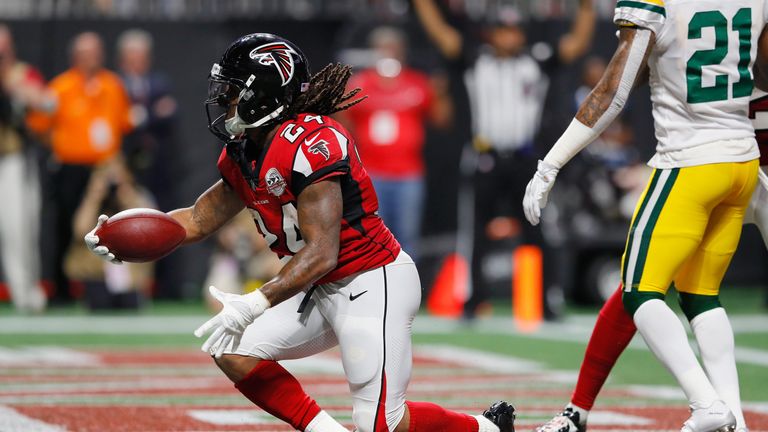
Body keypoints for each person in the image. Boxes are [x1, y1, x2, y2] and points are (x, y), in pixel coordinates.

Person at [84, 33, 516, 432]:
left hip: (370, 280)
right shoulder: (246, 150)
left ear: (262, 96)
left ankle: (486, 428)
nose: (224, 100)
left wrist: (256, 300)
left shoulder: (313, 141)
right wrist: (120, 235)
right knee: (232, 348)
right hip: (318, 286)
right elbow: (197, 220)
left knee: (381, 424)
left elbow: (324, 251)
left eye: (234, 91)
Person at [523, 1, 768, 431]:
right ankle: (736, 420)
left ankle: (706, 404)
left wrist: (551, 163)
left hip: (689, 162)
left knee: (638, 291)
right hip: (743, 160)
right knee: (701, 296)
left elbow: (612, 91)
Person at [413, 0, 596, 319]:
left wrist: (586, 7)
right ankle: (473, 301)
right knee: (475, 234)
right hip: (485, 156)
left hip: (526, 158)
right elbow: (442, 35)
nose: (508, 37)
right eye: (502, 31)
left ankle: (548, 301)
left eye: (513, 31)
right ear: (491, 34)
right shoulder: (475, 58)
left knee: (540, 231)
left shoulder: (537, 60)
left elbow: (576, 44)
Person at [28, 31, 132, 304]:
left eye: (96, 52)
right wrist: (61, 145)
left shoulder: (112, 85)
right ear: (75, 56)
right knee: (64, 226)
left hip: (104, 167)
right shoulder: (61, 87)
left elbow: (124, 124)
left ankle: (114, 287)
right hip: (71, 167)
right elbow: (39, 125)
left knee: (110, 226)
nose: (92, 58)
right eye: (87, 53)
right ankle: (60, 288)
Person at [342, 26, 447, 259]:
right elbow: (342, 124)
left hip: (408, 174)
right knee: (372, 236)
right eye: (383, 49)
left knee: (407, 237)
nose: (389, 54)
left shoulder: (417, 83)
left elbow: (441, 120)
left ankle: (408, 291)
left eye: (394, 49)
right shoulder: (360, 84)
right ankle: (377, 290)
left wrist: (440, 93)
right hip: (371, 175)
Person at [0, 25, 49, 313]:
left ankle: (25, 291)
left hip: (12, 159)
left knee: (18, 228)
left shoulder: (20, 74)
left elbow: (48, 103)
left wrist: (11, 83)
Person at [116, 28, 178, 210]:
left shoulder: (160, 83)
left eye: (141, 55)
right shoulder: (113, 84)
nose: (137, 60)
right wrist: (152, 114)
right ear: (122, 58)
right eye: (132, 55)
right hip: (127, 159)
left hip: (157, 162)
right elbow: (120, 120)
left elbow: (169, 112)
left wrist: (141, 116)